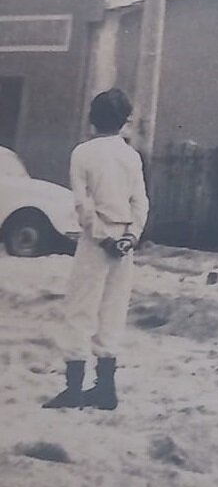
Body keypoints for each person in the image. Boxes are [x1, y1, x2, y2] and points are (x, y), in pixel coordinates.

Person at [44, 89, 149, 410]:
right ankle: (105, 387)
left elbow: (82, 203)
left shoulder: (83, 153)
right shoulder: (131, 156)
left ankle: (74, 388)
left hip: (96, 240)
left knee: (80, 308)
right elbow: (140, 202)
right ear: (124, 121)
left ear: (92, 118)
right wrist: (130, 236)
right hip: (124, 240)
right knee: (113, 309)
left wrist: (103, 237)